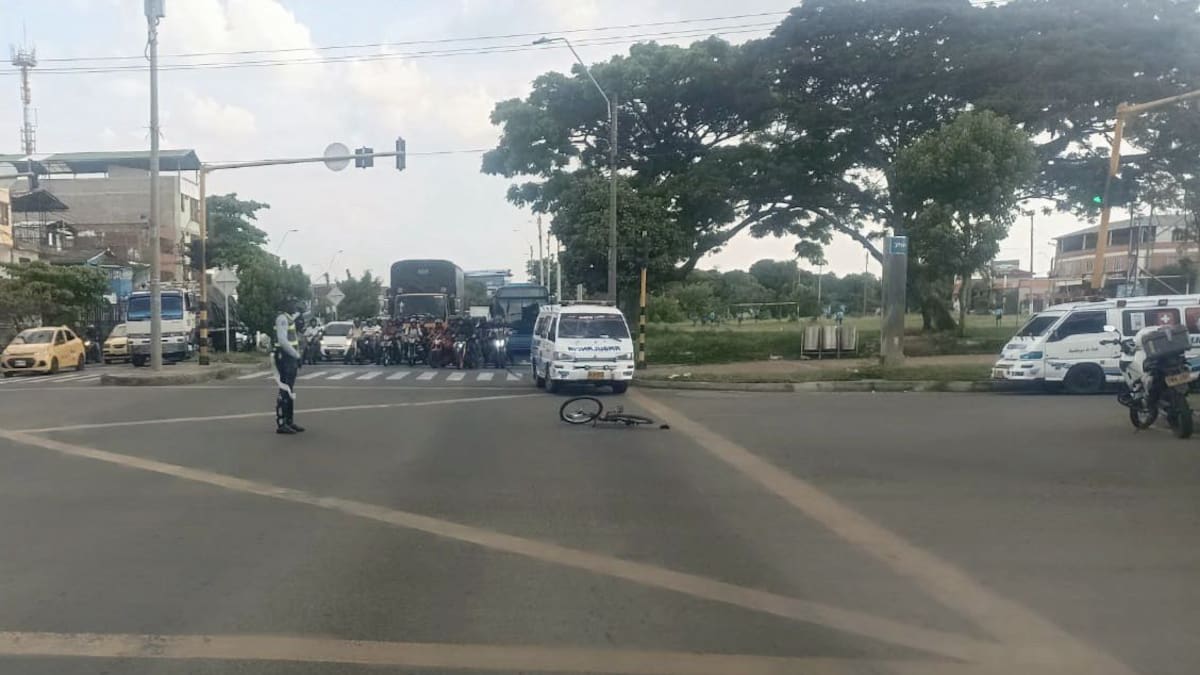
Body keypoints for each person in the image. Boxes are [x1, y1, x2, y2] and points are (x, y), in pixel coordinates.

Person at [272, 300, 307, 435]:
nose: (294, 306)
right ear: (285, 305)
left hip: (289, 357)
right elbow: (282, 340)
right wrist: (296, 355)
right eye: (292, 303)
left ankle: (289, 421)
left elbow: (297, 317)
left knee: (290, 390)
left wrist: (301, 312)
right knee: (284, 389)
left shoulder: (289, 318)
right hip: (284, 356)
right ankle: (282, 423)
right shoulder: (282, 318)